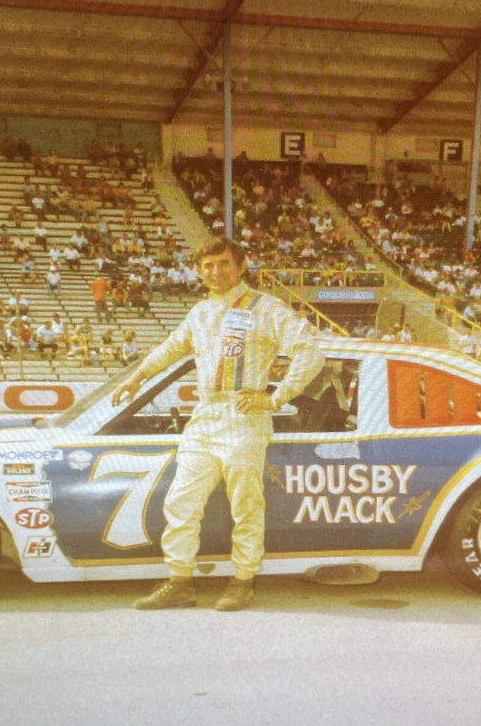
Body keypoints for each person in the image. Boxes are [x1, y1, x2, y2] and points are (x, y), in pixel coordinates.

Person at [114, 237, 324, 612]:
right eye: (208, 265)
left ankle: (243, 582)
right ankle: (180, 583)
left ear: (241, 267)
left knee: (245, 505)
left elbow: (310, 350)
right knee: (181, 501)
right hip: (205, 416)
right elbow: (171, 348)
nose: (216, 272)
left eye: (224, 263)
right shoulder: (200, 312)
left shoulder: (265, 307)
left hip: (244, 416)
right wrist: (137, 377)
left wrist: (276, 397)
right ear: (199, 271)